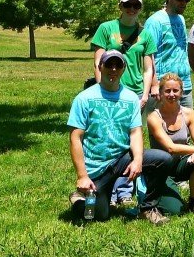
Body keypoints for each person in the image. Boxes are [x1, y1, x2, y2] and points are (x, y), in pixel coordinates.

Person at [68, 50, 173, 225]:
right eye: (109, 64)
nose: (113, 69)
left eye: (118, 65)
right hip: (97, 167)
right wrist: (82, 176)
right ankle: (79, 198)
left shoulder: (131, 98)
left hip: (122, 157)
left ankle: (147, 208)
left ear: (123, 69)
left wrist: (137, 160)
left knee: (163, 159)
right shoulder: (84, 98)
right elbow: (75, 139)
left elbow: (135, 132)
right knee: (98, 215)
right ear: (100, 67)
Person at [89, 0, 157, 204]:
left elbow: (148, 68)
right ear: (120, 6)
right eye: (128, 5)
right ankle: (107, 187)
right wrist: (101, 92)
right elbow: (98, 62)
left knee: (132, 139)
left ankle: (126, 190)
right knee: (109, 137)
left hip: (135, 93)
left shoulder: (146, 34)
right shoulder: (106, 28)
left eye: (136, 5)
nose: (132, 9)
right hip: (110, 91)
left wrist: (145, 95)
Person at [146, 72, 194, 214]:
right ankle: (154, 192)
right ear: (161, 93)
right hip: (161, 168)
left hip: (181, 163)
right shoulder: (153, 118)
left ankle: (193, 203)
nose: (172, 94)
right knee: (174, 210)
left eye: (175, 90)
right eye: (167, 91)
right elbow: (171, 148)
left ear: (181, 92)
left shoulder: (189, 114)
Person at [145, 0, 194, 108]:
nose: (183, 2)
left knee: (187, 120)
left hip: (184, 85)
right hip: (164, 88)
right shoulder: (155, 21)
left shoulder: (181, 19)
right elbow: (148, 55)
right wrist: (154, 84)